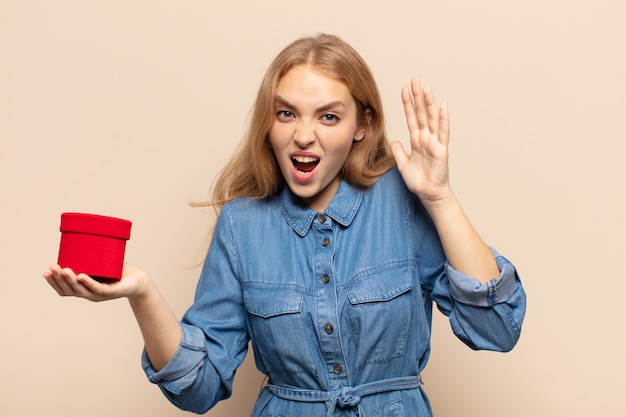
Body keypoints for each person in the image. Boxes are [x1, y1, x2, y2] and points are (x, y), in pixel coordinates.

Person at [44, 33, 526, 417]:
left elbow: (497, 328)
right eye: (286, 113)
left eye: (329, 116)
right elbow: (199, 388)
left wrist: (439, 197)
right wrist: (142, 293)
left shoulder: (403, 202)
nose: (302, 134)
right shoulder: (241, 225)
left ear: (362, 125)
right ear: (269, 122)